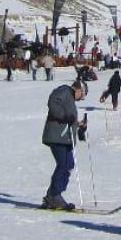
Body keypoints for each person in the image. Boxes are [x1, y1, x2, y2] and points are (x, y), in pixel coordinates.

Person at [39, 79, 86, 210]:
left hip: (64, 138)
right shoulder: (65, 91)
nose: (80, 98)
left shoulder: (69, 98)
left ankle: (52, 195)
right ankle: (54, 195)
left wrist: (79, 125)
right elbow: (53, 102)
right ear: (78, 89)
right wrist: (65, 116)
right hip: (56, 136)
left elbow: (69, 120)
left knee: (69, 164)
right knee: (63, 164)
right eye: (81, 95)